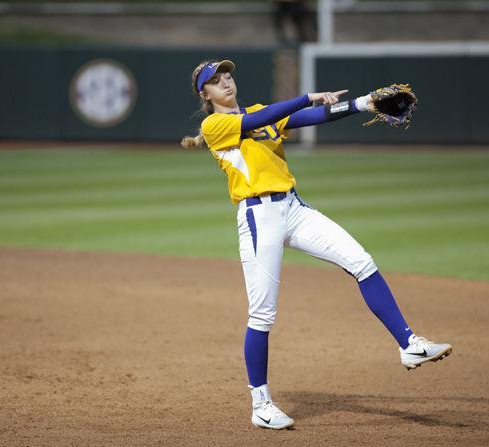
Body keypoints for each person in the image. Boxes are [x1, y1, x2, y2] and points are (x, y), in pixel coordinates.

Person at [180, 60, 452, 430]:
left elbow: (312, 119)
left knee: (361, 261)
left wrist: (360, 104)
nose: (225, 82)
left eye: (227, 76)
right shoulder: (215, 125)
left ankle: (409, 344)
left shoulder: (260, 112)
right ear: (205, 94)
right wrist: (305, 97)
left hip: (293, 208)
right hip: (259, 218)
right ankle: (260, 403)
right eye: (214, 81)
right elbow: (264, 120)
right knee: (262, 314)